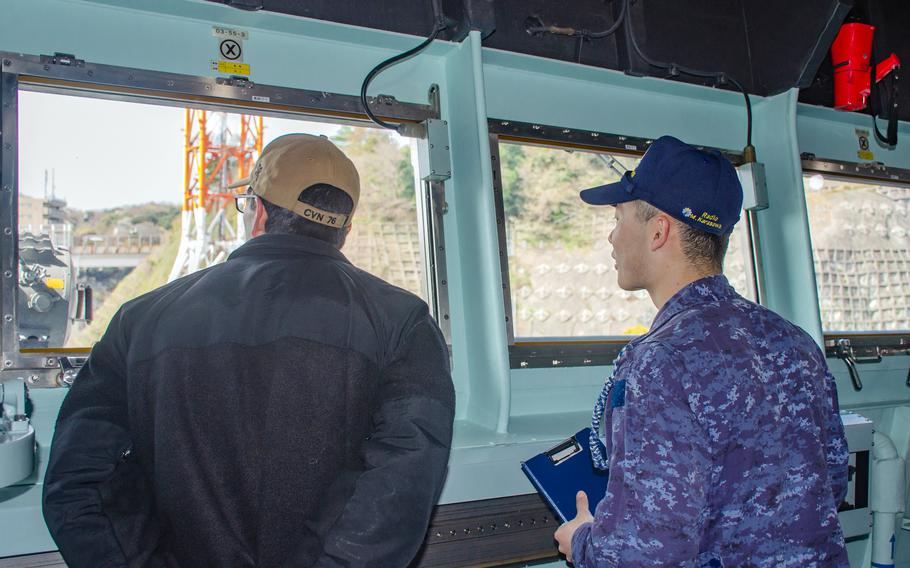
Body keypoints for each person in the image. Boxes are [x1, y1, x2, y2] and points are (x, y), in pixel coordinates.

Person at [43, 134, 455, 567]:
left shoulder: (140, 318)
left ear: (256, 211)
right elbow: (402, 479)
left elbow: (80, 483)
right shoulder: (402, 319)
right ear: (344, 231)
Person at [553, 136, 849, 567]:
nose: (611, 237)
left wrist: (580, 540)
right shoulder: (795, 341)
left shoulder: (660, 361)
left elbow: (645, 556)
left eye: (618, 218)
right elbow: (831, 482)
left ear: (658, 231)